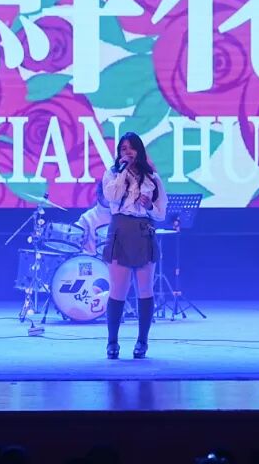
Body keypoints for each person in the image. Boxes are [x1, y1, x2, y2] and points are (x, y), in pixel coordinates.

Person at [100, 132, 167, 359]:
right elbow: (112, 196)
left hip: (143, 231)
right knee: (118, 289)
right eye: (123, 148)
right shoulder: (111, 174)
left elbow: (161, 213)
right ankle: (112, 342)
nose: (127, 152)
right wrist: (122, 172)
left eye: (131, 148)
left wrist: (149, 207)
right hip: (120, 229)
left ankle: (142, 342)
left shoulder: (153, 179)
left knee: (145, 288)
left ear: (139, 151)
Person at [76, 181, 113, 256]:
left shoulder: (123, 214)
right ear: (100, 195)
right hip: (94, 261)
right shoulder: (87, 217)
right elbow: (76, 242)